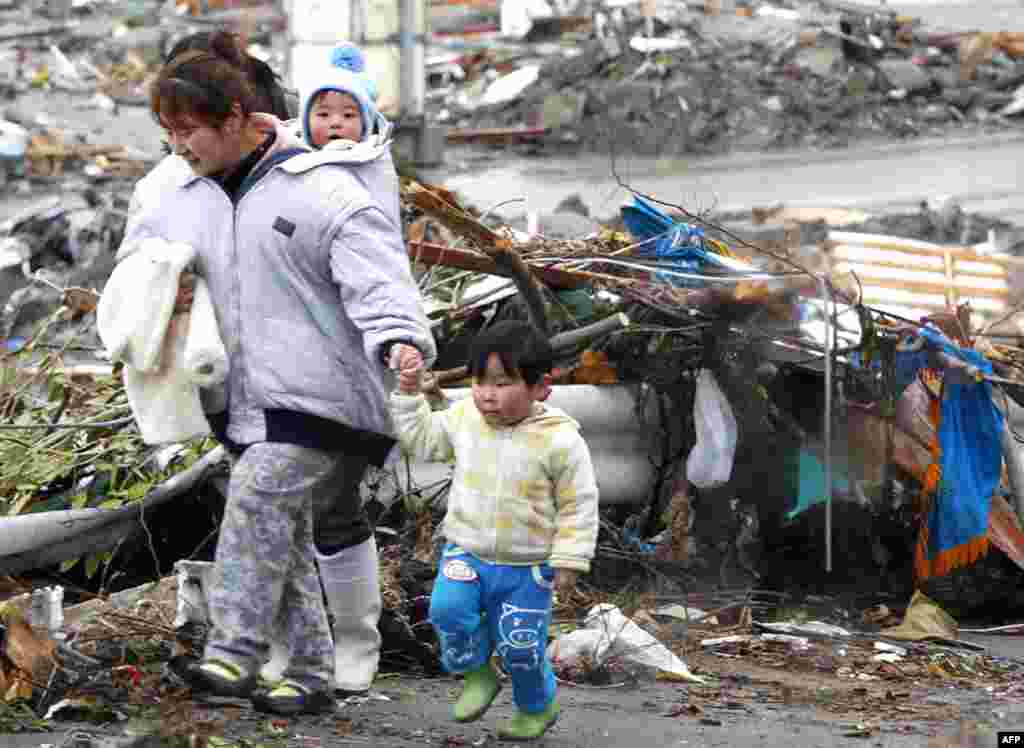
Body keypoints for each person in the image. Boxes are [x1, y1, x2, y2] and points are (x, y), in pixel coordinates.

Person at [123, 48, 435, 715]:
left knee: (260, 496)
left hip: (325, 395)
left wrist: (401, 339)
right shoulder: (175, 198)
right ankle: (310, 673)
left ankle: (233, 652)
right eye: (168, 134)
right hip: (240, 401)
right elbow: (136, 267)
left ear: (236, 116)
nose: (178, 148)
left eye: (189, 131)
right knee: (284, 536)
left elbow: (378, 275)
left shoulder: (321, 187)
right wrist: (159, 295)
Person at [388, 321, 599, 741]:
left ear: (541, 387)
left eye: (502, 383)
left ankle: (537, 706)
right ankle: (478, 673)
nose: (487, 394)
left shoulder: (559, 440)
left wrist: (570, 558)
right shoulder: (466, 418)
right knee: (447, 612)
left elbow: (579, 501)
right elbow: (423, 440)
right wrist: (409, 393)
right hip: (466, 551)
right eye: (480, 382)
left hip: (528, 567)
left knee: (521, 648)